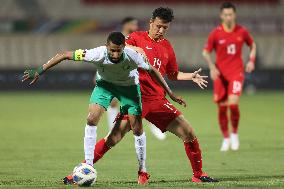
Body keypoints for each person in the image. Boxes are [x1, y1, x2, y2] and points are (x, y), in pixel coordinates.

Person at [64, 7, 217, 185]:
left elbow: (173, 74)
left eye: (165, 28)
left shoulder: (167, 46)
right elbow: (121, 46)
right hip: (137, 98)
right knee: (113, 138)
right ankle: (79, 172)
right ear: (151, 22)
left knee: (189, 132)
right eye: (158, 26)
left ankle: (198, 174)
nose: (161, 30)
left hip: (158, 101)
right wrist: (136, 48)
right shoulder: (136, 37)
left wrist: (190, 76)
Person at [21, 31, 185, 183]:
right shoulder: (97, 53)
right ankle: (88, 165)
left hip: (129, 89)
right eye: (112, 50)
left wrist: (170, 93)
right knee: (92, 117)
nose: (115, 54)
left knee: (136, 127)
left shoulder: (133, 56)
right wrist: (39, 70)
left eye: (118, 51)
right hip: (105, 86)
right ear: (107, 47)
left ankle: (142, 170)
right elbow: (64, 54)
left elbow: (154, 71)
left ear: (123, 48)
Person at [202, 2, 256, 151]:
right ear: (221, 15)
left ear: (235, 14)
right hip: (220, 75)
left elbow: (252, 45)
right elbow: (206, 52)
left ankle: (234, 134)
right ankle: (225, 138)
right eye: (225, 14)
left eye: (230, 14)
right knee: (222, 108)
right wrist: (212, 67)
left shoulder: (242, 31)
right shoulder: (216, 33)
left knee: (233, 104)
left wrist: (251, 61)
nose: (228, 17)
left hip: (236, 73)